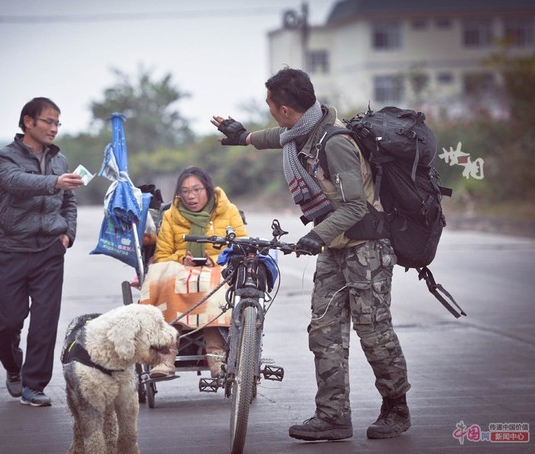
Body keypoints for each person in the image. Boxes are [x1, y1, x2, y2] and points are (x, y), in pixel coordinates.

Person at [211, 68, 411, 441]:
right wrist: (244, 137)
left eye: (270, 105)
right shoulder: (306, 128)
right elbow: (280, 136)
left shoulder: (334, 143)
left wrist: (315, 235)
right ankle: (333, 417)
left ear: (286, 109)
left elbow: (356, 207)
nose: (270, 112)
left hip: (365, 249)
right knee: (324, 332)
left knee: (374, 332)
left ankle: (396, 408)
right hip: (336, 248)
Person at [0, 97, 83, 407]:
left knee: (44, 322)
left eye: (58, 123)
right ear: (28, 122)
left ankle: (34, 386)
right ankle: (12, 366)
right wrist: (54, 182)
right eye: (49, 121)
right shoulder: (2, 159)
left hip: (50, 251)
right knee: (8, 322)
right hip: (11, 250)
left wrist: (68, 233)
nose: (54, 128)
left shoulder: (61, 161)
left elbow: (70, 202)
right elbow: (18, 183)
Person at [139, 166, 247, 379]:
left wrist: (213, 260)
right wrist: (183, 259)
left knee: (212, 283)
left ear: (208, 189)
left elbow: (242, 246)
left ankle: (217, 358)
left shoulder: (228, 210)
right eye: (185, 191)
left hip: (216, 270)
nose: (191, 196)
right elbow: (161, 256)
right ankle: (165, 359)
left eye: (196, 189)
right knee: (167, 278)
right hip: (181, 272)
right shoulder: (171, 216)